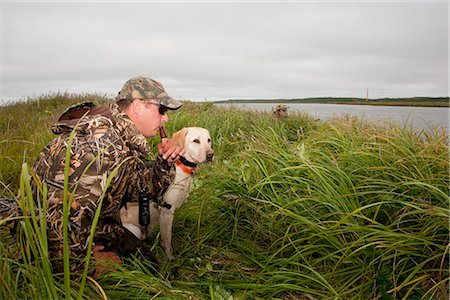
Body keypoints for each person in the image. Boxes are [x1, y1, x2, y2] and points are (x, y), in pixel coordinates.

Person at [30, 76, 185, 275]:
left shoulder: (122, 139)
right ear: (138, 107)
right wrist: (88, 264)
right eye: (161, 110)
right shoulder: (99, 146)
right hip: (56, 245)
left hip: (98, 228)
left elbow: (138, 190)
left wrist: (164, 162)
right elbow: (57, 222)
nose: (165, 118)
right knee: (140, 278)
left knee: (146, 263)